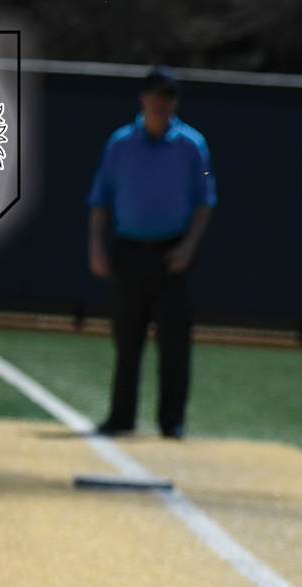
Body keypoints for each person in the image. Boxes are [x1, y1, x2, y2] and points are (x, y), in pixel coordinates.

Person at [86, 64, 215, 439]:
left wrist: (189, 247)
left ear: (176, 101)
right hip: (129, 251)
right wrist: (96, 245)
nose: (161, 102)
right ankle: (121, 416)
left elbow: (206, 200)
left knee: (175, 343)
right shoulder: (120, 143)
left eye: (169, 96)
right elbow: (100, 199)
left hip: (173, 253)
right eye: (155, 94)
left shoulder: (193, 145)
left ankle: (171, 421)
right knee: (127, 339)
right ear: (143, 98)